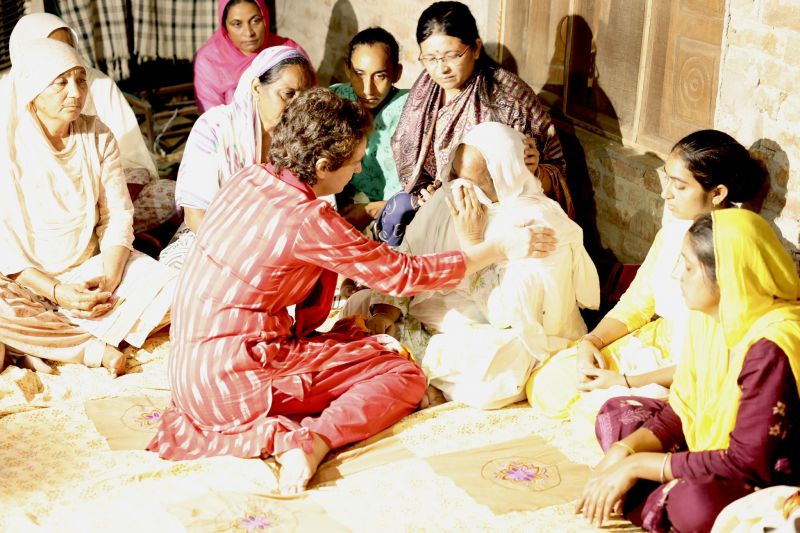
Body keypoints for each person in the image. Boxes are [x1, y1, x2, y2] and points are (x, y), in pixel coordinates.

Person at [147, 88, 557, 494]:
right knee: (403, 374)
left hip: (190, 370)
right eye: (356, 162)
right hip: (231, 380)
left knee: (361, 333)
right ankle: (313, 440)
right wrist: (496, 248)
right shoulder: (307, 219)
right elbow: (403, 274)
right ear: (324, 165)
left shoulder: (251, 177)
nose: (359, 172)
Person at [343, 122, 598, 409]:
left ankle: (406, 365)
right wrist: (386, 313)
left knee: (495, 369)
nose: (459, 190)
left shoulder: (538, 224)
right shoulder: (448, 197)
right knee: (360, 304)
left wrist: (473, 244)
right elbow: (409, 259)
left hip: (486, 330)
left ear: (505, 178)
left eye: (473, 183)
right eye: (454, 176)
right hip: (430, 314)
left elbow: (506, 317)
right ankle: (411, 369)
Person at [575, 209, 800, 532]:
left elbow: (747, 462)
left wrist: (640, 464)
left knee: (697, 505)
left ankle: (653, 493)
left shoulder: (771, 347)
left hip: (763, 471)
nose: (680, 275)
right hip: (716, 452)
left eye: (690, 267)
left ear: (726, 277)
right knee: (617, 413)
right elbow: (683, 406)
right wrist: (627, 451)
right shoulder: (709, 318)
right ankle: (651, 489)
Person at [527, 129, 767, 420]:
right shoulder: (674, 230)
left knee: (608, 414)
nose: (666, 193)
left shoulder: (734, 246)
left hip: (692, 365)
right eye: (668, 180)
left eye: (679, 187)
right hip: (659, 340)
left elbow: (716, 358)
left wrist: (625, 382)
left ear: (717, 193)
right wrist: (592, 342)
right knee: (549, 383)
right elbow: (637, 301)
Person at [0, 39, 173, 376]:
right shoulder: (7, 147)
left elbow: (117, 215)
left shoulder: (98, 134)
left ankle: (40, 344)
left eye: (80, 79)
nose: (75, 92)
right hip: (29, 281)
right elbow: (4, 245)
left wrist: (108, 279)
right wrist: (56, 291)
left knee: (180, 293)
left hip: (92, 271)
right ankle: (90, 348)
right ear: (33, 89)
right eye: (60, 82)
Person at [384, 1, 572, 245]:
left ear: (475, 49)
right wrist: (427, 190)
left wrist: (533, 171)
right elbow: (414, 160)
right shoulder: (426, 88)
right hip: (436, 205)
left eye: (452, 56)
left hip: (491, 217)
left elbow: (547, 175)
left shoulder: (507, 100)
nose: (441, 68)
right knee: (396, 213)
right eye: (429, 58)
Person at [6, 12, 177, 237]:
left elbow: (131, 160)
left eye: (67, 48)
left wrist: (105, 205)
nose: (75, 92)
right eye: (50, 49)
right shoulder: (8, 96)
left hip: (109, 192)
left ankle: (109, 236)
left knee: (172, 194)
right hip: (46, 214)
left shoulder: (97, 84)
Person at [159, 46, 315, 269]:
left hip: (278, 245)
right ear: (256, 87)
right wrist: (238, 259)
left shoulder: (302, 139)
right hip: (213, 239)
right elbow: (196, 215)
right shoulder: (214, 127)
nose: (297, 107)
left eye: (304, 97)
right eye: (288, 94)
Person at [330, 27, 409, 230]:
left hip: (394, 218)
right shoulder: (335, 100)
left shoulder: (412, 109)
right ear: (347, 69)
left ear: (397, 73)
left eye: (379, 76)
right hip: (336, 210)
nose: (367, 89)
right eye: (358, 74)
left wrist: (376, 209)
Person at [194, 0, 307, 113]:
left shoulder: (287, 51)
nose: (249, 33)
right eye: (237, 24)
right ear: (225, 26)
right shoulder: (209, 60)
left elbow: (309, 102)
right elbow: (214, 119)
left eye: (255, 21)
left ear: (265, 18)